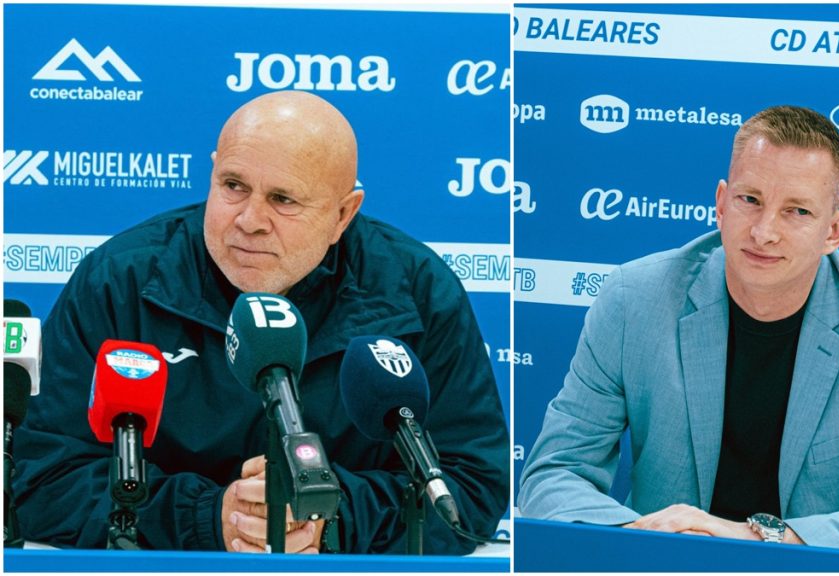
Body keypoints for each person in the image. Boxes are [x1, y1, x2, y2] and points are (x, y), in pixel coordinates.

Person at [12, 91, 510, 554]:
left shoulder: (418, 292)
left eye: (283, 199)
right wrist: (210, 518)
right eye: (233, 186)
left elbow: (469, 486)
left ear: (343, 214)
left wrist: (327, 517)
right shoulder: (119, 282)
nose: (249, 219)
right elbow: (40, 477)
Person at [518, 105, 839, 557]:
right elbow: (554, 475)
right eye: (750, 200)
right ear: (722, 204)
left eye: (797, 211)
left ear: (835, 231)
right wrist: (646, 534)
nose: (764, 232)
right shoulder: (635, 299)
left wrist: (747, 537)